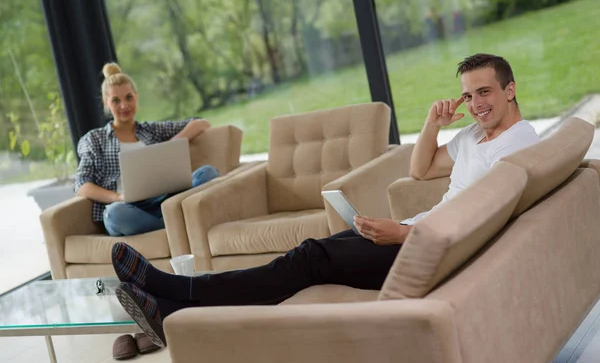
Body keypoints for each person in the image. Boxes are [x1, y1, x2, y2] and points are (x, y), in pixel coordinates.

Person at [112, 53, 541, 348]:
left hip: (433, 251)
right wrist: (432, 123)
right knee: (307, 255)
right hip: (420, 234)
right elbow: (421, 170)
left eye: (484, 92)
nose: (476, 104)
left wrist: (405, 232)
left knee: (309, 259)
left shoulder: (517, 147)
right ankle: (174, 309)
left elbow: (484, 219)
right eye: (469, 95)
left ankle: (174, 293)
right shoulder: (474, 135)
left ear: (510, 90)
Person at [74, 62, 219, 237]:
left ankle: (168, 224)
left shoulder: (151, 130)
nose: (124, 106)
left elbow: (200, 122)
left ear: (137, 96)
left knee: (207, 173)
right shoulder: (94, 139)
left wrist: (170, 145)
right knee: (114, 215)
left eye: (129, 97)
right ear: (106, 103)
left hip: (164, 200)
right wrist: (118, 197)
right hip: (129, 209)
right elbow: (82, 185)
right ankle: (175, 225)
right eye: (115, 100)